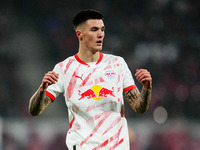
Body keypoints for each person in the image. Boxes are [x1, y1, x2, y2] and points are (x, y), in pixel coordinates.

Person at [29, 9, 152, 150]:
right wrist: (42, 89)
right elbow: (34, 111)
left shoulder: (117, 64)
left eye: (102, 29)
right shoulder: (64, 69)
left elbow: (139, 107)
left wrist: (147, 89)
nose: (100, 34)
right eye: (94, 30)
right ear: (79, 34)